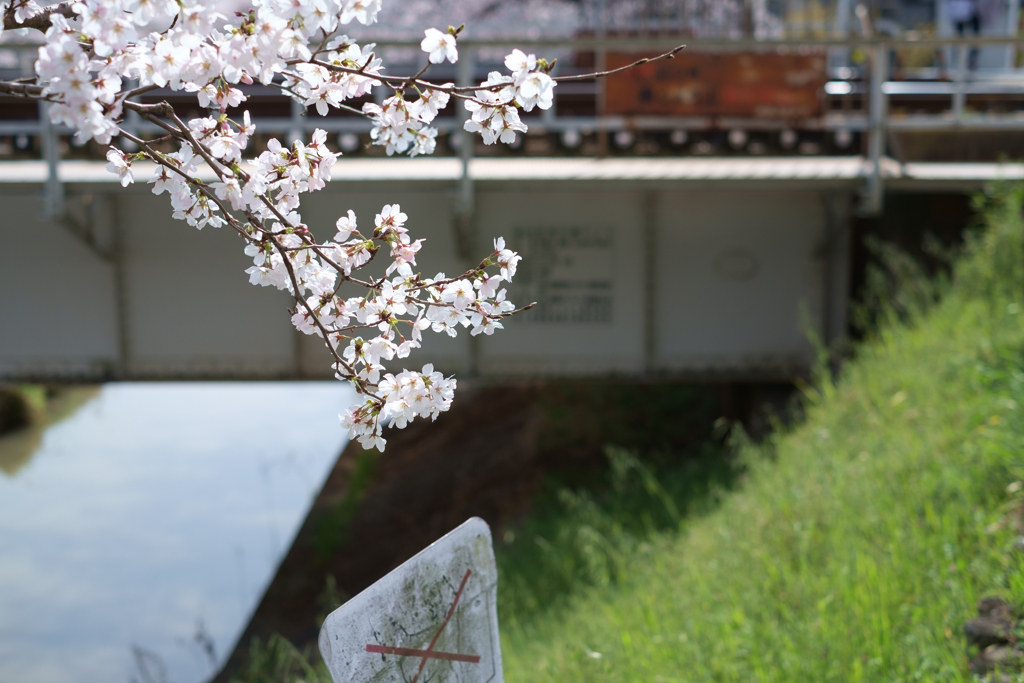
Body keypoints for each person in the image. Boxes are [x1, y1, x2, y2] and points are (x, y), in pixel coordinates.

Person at [946, 0, 981, 69]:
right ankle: (959, 62)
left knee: (970, 39)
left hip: (964, 13)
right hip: (959, 14)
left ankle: (972, 57)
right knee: (959, 40)